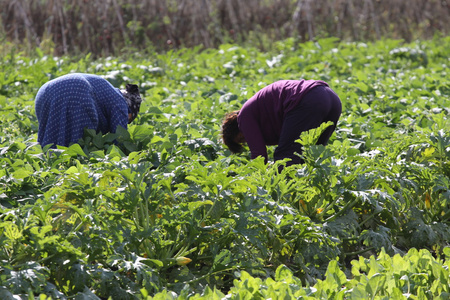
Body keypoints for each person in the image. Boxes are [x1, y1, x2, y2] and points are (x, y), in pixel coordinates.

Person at [221, 79, 342, 167]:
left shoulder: (244, 118)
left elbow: (259, 156)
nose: (248, 139)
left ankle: (289, 200)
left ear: (236, 128)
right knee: (311, 157)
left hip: (309, 99)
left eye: (242, 138)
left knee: (285, 157)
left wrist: (253, 181)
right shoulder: (256, 112)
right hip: (332, 98)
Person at [35, 73, 143, 148]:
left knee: (49, 142)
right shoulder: (121, 103)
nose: (126, 121)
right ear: (129, 112)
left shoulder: (108, 90)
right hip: (76, 91)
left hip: (44, 92)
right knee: (74, 148)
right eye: (128, 119)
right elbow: (119, 139)